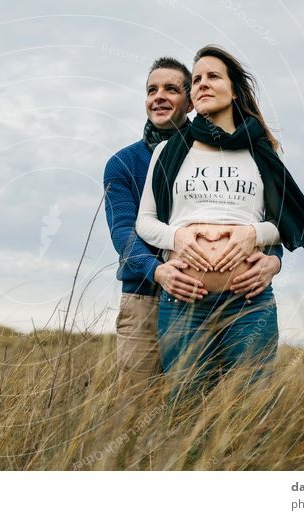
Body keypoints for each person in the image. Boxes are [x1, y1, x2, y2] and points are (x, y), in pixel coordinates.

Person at [136, 45, 304, 396]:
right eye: (197, 79)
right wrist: (178, 238)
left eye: (213, 76)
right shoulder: (169, 150)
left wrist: (253, 234)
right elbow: (145, 222)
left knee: (251, 410)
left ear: (234, 89)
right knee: (186, 409)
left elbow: (285, 221)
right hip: (184, 304)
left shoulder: (260, 149)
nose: (202, 84)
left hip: (249, 303)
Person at [104, 56, 284, 391]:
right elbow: (124, 231)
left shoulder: (224, 149)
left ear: (189, 102)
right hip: (146, 297)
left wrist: (274, 260)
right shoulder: (123, 163)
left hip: (217, 298)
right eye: (151, 89)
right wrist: (158, 270)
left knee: (221, 405)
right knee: (141, 402)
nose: (159, 96)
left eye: (171, 89)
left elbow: (259, 216)